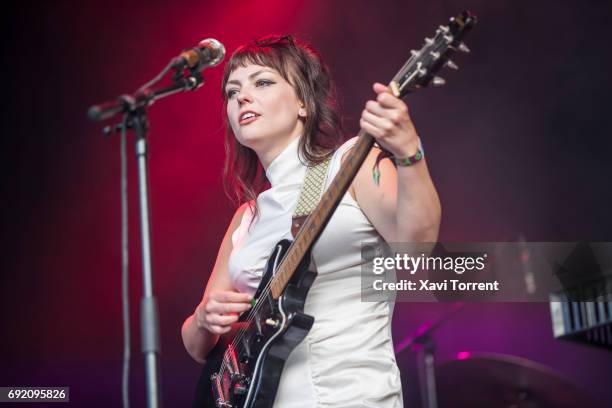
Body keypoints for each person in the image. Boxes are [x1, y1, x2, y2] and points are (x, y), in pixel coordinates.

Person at [181, 34, 441, 407]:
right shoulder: (247, 218)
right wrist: (204, 319)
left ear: (303, 102)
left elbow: (416, 246)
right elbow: (195, 343)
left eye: (263, 82)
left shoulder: (350, 164)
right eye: (231, 91)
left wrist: (409, 153)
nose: (241, 97)